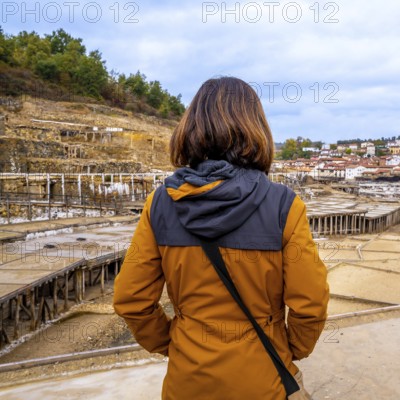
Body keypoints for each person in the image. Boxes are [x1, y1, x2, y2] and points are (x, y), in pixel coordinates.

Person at [113, 77, 329, 399]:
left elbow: (132, 300)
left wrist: (175, 343)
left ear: (191, 127)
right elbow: (310, 305)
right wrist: (287, 349)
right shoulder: (284, 206)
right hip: (263, 382)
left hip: (187, 381)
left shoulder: (159, 205)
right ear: (256, 128)